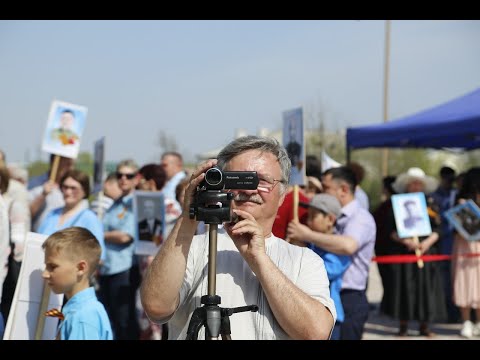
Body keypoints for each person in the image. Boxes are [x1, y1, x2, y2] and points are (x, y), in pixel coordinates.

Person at [141, 135, 336, 340]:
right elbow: (156, 308)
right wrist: (189, 215)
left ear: (282, 194)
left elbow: (316, 334)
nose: (247, 189)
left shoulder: (303, 260)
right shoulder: (192, 248)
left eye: (260, 181)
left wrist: (259, 259)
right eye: (236, 178)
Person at [287, 166, 376, 340]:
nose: (321, 191)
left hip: (348, 297)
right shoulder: (337, 216)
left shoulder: (360, 218)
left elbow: (348, 246)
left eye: (326, 188)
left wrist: (307, 235)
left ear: (343, 189)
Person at [382, 167, 446, 337]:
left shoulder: (430, 204)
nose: (416, 186)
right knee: (405, 288)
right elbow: (390, 229)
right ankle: (403, 325)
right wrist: (406, 241)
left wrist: (426, 243)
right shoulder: (397, 203)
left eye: (419, 183)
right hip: (405, 253)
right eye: (413, 183)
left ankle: (425, 326)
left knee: (425, 289)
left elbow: (439, 228)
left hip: (426, 252)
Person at [42, 227, 113, 340]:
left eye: (52, 267)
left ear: (81, 268)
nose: (45, 274)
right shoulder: (78, 311)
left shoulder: (83, 317)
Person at [298, 193, 351, 340]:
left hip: (329, 315)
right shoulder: (310, 243)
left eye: (313, 217)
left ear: (330, 220)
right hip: (305, 312)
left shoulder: (338, 246)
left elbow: (326, 271)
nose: (308, 221)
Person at [99, 159, 140, 340]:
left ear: (136, 179)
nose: (123, 179)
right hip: (108, 267)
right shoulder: (117, 203)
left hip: (125, 268)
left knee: (124, 321)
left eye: (128, 176)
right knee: (113, 319)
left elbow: (125, 236)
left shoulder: (135, 203)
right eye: (119, 175)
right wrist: (108, 234)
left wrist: (100, 234)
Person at [37, 169, 106, 262]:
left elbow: (99, 257)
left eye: (73, 188)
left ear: (84, 191)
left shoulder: (90, 218)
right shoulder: (52, 214)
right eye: (65, 187)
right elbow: (37, 243)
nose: (68, 192)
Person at [451, 167, 480, 338]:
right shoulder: (461, 201)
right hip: (465, 246)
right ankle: (466, 321)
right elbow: (457, 228)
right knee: (464, 281)